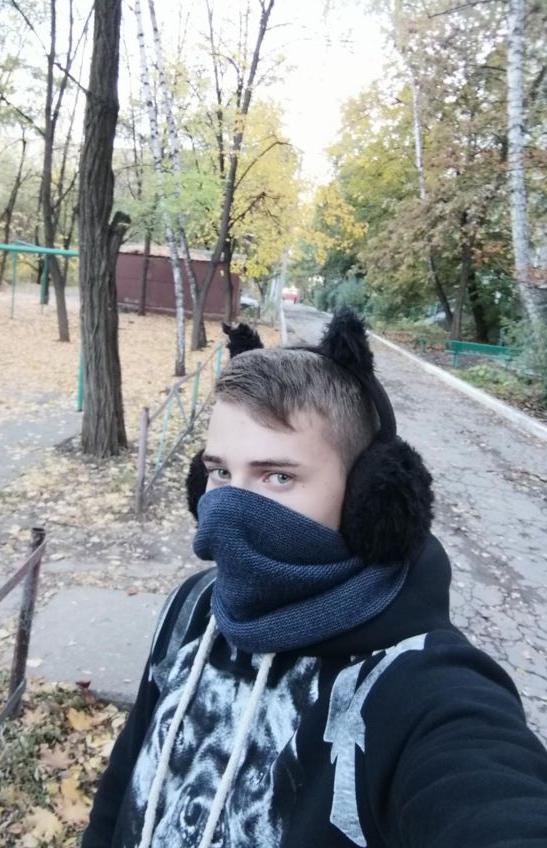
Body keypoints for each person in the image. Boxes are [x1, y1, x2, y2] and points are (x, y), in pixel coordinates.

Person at [82, 309, 547, 848]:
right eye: (220, 472)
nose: (229, 508)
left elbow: (490, 799)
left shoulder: (423, 688)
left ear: (367, 498)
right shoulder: (193, 608)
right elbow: (122, 787)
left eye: (278, 476)